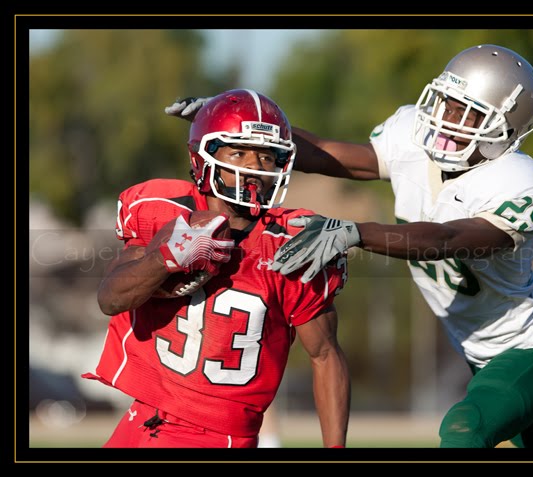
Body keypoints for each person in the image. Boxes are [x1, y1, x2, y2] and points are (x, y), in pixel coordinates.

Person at [165, 44, 533, 449]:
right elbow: (332, 155)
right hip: (482, 356)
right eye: (447, 104)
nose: (447, 120)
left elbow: (447, 239)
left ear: (505, 128)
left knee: (465, 429)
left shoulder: (521, 182)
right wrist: (232, 123)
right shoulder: (414, 138)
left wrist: (358, 232)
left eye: (467, 113)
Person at [84, 89, 350, 448]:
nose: (255, 167)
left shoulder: (293, 242)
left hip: (215, 435)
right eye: (239, 152)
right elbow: (110, 298)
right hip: (142, 416)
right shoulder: (165, 211)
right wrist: (164, 258)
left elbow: (325, 354)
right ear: (202, 157)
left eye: (267, 157)